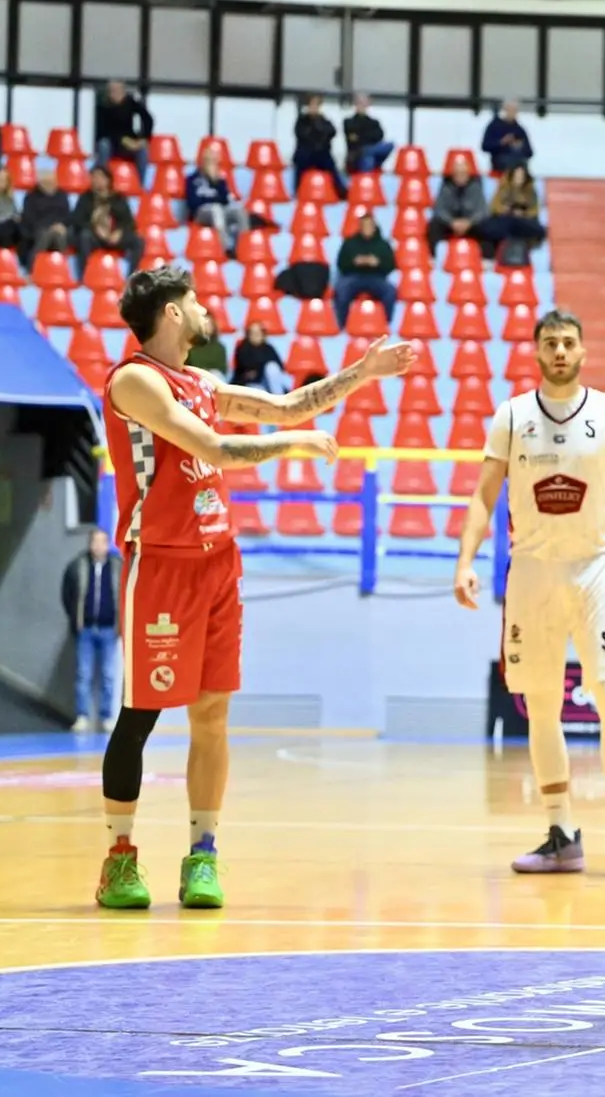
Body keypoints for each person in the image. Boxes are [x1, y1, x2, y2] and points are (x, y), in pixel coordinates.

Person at [94, 263, 413, 912]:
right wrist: (296, 444)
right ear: (172, 313)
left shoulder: (201, 380)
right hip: (158, 562)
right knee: (140, 715)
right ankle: (119, 857)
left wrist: (362, 372)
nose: (206, 308)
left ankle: (201, 853)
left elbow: (289, 403)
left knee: (212, 714)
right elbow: (211, 447)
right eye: (194, 300)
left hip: (217, 561)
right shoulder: (133, 380)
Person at [453, 310, 605, 876]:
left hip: (596, 567)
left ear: (583, 351)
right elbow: (481, 496)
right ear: (537, 352)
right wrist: (466, 561)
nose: (561, 351)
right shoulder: (513, 416)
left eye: (569, 342)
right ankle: (561, 830)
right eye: (551, 343)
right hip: (532, 572)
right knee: (540, 702)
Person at [61, 529, 121, 734]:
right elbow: (67, 593)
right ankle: (82, 716)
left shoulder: (117, 566)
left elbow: (124, 594)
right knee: (83, 674)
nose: (98, 546)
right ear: (89, 544)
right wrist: (74, 618)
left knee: (108, 675)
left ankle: (106, 717)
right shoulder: (78, 565)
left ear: (108, 544)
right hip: (85, 629)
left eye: (102, 542)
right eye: (94, 541)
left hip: (108, 630)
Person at [333, 212, 397, 329]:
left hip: (377, 277)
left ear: (374, 226)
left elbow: (391, 265)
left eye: (369, 225)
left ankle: (385, 324)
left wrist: (378, 263)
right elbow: (341, 264)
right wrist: (354, 262)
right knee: (341, 290)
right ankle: (341, 325)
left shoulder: (383, 245)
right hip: (353, 276)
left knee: (390, 291)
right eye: (364, 225)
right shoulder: (350, 243)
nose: (367, 228)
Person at [74, 182, 143, 276]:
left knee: (138, 241)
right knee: (84, 236)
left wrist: (119, 232)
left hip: (116, 237)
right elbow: (78, 221)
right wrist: (95, 230)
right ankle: (84, 276)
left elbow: (130, 223)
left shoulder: (119, 199)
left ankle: (132, 277)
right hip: (96, 238)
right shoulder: (86, 198)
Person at [486, 163, 546, 266]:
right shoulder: (502, 188)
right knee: (490, 229)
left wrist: (523, 213)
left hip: (523, 222)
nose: (519, 178)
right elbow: (495, 207)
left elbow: (534, 210)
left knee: (538, 230)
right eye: (516, 175)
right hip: (505, 221)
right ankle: (490, 259)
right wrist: (507, 210)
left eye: (521, 175)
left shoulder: (530, 191)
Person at [93, 80, 153, 181]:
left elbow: (148, 118)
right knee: (103, 145)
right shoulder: (102, 106)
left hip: (128, 142)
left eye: (116, 91)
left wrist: (143, 139)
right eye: (111, 91)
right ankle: (102, 179)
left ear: (123, 92)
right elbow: (102, 131)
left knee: (142, 151)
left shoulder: (131, 103)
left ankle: (140, 186)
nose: (113, 94)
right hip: (111, 142)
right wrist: (123, 140)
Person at [183, 149, 244, 247]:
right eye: (208, 160)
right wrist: (214, 199)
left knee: (239, 210)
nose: (211, 163)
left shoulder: (220, 181)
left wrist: (214, 181)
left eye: (213, 161)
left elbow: (225, 200)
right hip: (200, 213)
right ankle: (226, 247)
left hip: (220, 210)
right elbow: (193, 203)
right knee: (216, 209)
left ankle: (244, 246)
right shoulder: (191, 180)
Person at [430, 157, 490, 254]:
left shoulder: (476, 187)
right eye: (457, 174)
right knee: (434, 226)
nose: (460, 176)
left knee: (487, 228)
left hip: (470, 223)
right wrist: (451, 222)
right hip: (450, 223)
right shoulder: (446, 187)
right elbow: (439, 209)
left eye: (463, 173)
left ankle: (485, 259)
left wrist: (469, 222)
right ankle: (434, 256)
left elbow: (482, 211)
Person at [19, 164, 75, 267]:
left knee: (60, 235)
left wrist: (61, 225)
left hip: (59, 229)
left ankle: (61, 268)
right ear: (39, 183)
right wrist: (51, 226)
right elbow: (29, 218)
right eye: (46, 182)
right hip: (39, 229)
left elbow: (67, 216)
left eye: (51, 182)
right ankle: (33, 269)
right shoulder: (31, 197)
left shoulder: (62, 195)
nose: (49, 185)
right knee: (46, 235)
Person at [292, 94, 346, 197]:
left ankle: (340, 190)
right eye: (312, 105)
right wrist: (318, 135)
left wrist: (318, 135)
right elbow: (302, 135)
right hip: (306, 153)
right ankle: (298, 189)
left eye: (316, 105)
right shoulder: (302, 121)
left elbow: (332, 132)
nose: (314, 107)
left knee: (329, 163)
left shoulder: (324, 120)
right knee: (301, 158)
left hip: (321, 153)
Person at [231, 322, 289, 394]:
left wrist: (260, 368)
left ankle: (279, 399)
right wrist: (262, 366)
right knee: (258, 391)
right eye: (253, 332)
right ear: (248, 334)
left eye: (258, 332)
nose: (256, 335)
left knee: (272, 367)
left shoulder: (269, 348)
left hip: (268, 383)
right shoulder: (243, 348)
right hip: (251, 384)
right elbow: (245, 366)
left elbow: (279, 366)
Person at [342, 94, 394, 173]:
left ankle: (367, 152)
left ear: (367, 104)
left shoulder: (374, 122)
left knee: (389, 145)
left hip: (369, 151)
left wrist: (360, 136)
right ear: (355, 104)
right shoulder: (348, 122)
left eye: (363, 103)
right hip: (356, 156)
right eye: (359, 103)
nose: (361, 105)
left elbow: (380, 135)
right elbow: (352, 139)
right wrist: (369, 137)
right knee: (368, 157)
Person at [480, 99, 533, 175]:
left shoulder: (520, 130)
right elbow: (484, 146)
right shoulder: (494, 125)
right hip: (500, 163)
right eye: (510, 109)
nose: (513, 112)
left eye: (515, 110)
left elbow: (530, 152)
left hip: (519, 163)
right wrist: (502, 142)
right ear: (505, 109)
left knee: (521, 165)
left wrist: (520, 146)